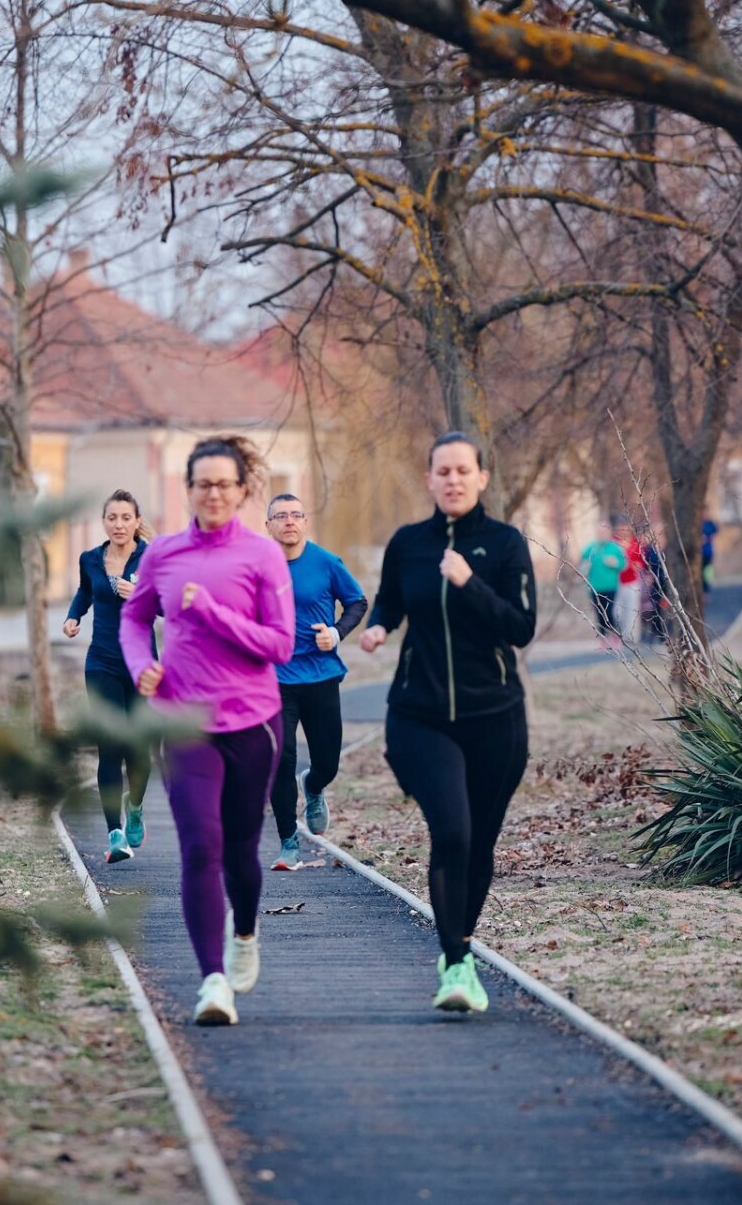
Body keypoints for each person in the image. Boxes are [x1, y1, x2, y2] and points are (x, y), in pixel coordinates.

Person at [357, 431, 536, 1013]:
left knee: (479, 843)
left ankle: (457, 948)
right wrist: (380, 625)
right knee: (452, 832)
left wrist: (469, 582)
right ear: (430, 479)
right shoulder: (409, 544)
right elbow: (390, 599)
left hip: (495, 718)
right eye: (443, 471)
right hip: (420, 715)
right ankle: (457, 965)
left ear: (482, 478)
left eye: (464, 471)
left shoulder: (505, 544)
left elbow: (520, 626)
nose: (453, 480)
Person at [120, 436, 294, 1027]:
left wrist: (210, 614)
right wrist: (141, 663)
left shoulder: (263, 557)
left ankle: (244, 932)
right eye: (203, 483)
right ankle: (212, 982)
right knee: (200, 846)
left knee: (242, 848)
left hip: (252, 722)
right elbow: (134, 617)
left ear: (243, 491)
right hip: (183, 721)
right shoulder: (162, 555)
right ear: (187, 489)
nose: (213, 493)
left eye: (225, 483)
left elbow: (280, 643)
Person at [263, 493, 368, 870]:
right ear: (269, 526)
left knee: (327, 760)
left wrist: (337, 633)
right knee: (279, 760)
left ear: (305, 521)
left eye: (296, 515)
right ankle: (289, 842)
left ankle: (315, 785)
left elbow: (357, 602)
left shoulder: (326, 562)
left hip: (322, 676)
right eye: (281, 516)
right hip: (275, 679)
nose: (289, 521)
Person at [63, 491, 153, 865]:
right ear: (104, 522)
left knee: (140, 752)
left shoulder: (150, 558)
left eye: (125, 518)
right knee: (109, 747)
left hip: (141, 664)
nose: (118, 524)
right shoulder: (91, 560)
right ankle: (115, 833)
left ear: (136, 521)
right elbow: (86, 591)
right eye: (112, 518)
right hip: (101, 662)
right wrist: (73, 616)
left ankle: (134, 807)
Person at [578, 521, 628, 648]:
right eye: (600, 532)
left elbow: (624, 565)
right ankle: (603, 639)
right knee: (599, 614)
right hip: (594, 587)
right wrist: (585, 567)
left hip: (611, 586)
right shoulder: (590, 548)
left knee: (610, 612)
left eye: (604, 532)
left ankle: (616, 637)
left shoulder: (615, 548)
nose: (602, 534)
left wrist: (615, 563)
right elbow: (581, 565)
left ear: (609, 533)